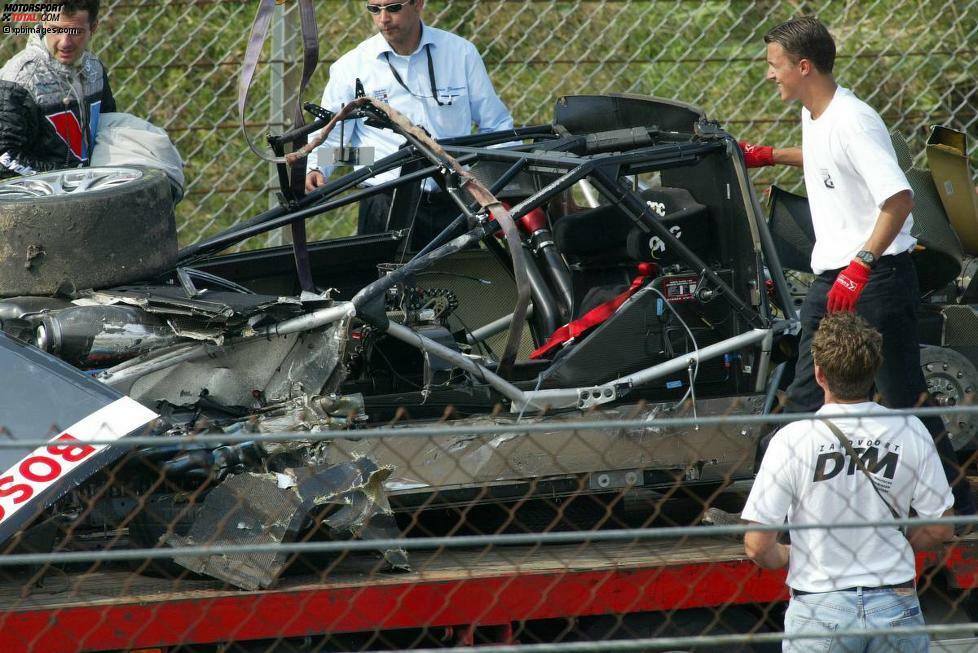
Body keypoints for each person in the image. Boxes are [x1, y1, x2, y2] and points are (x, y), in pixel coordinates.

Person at [742, 15, 975, 517]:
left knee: (902, 397)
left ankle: (956, 503)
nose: (769, 75)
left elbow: (898, 197)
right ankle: (768, 508)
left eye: (774, 66)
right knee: (805, 390)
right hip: (836, 280)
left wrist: (861, 264)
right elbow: (826, 158)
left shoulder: (854, 118)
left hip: (874, 281)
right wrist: (768, 156)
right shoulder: (816, 114)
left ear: (803, 67)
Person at [743, 312, 953, 652]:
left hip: (819, 607)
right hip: (894, 602)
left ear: (819, 373)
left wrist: (786, 554)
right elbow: (943, 527)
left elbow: (756, 545)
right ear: (874, 371)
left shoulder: (793, 439)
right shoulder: (910, 429)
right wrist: (893, 547)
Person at [304, 0, 513, 244]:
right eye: (374, 9)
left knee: (460, 278)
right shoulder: (351, 66)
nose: (383, 19)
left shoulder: (461, 53)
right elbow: (333, 138)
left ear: (418, 4)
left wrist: (494, 184)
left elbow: (496, 126)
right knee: (385, 281)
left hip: (455, 200)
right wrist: (317, 167)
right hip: (385, 201)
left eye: (393, 8)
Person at [0, 0, 115, 177]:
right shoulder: (19, 79)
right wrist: (67, 179)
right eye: (55, 29)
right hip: (38, 198)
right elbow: (4, 158)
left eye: (76, 31)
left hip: (91, 190)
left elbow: (110, 129)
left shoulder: (94, 69)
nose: (64, 43)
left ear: (93, 27)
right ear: (43, 22)